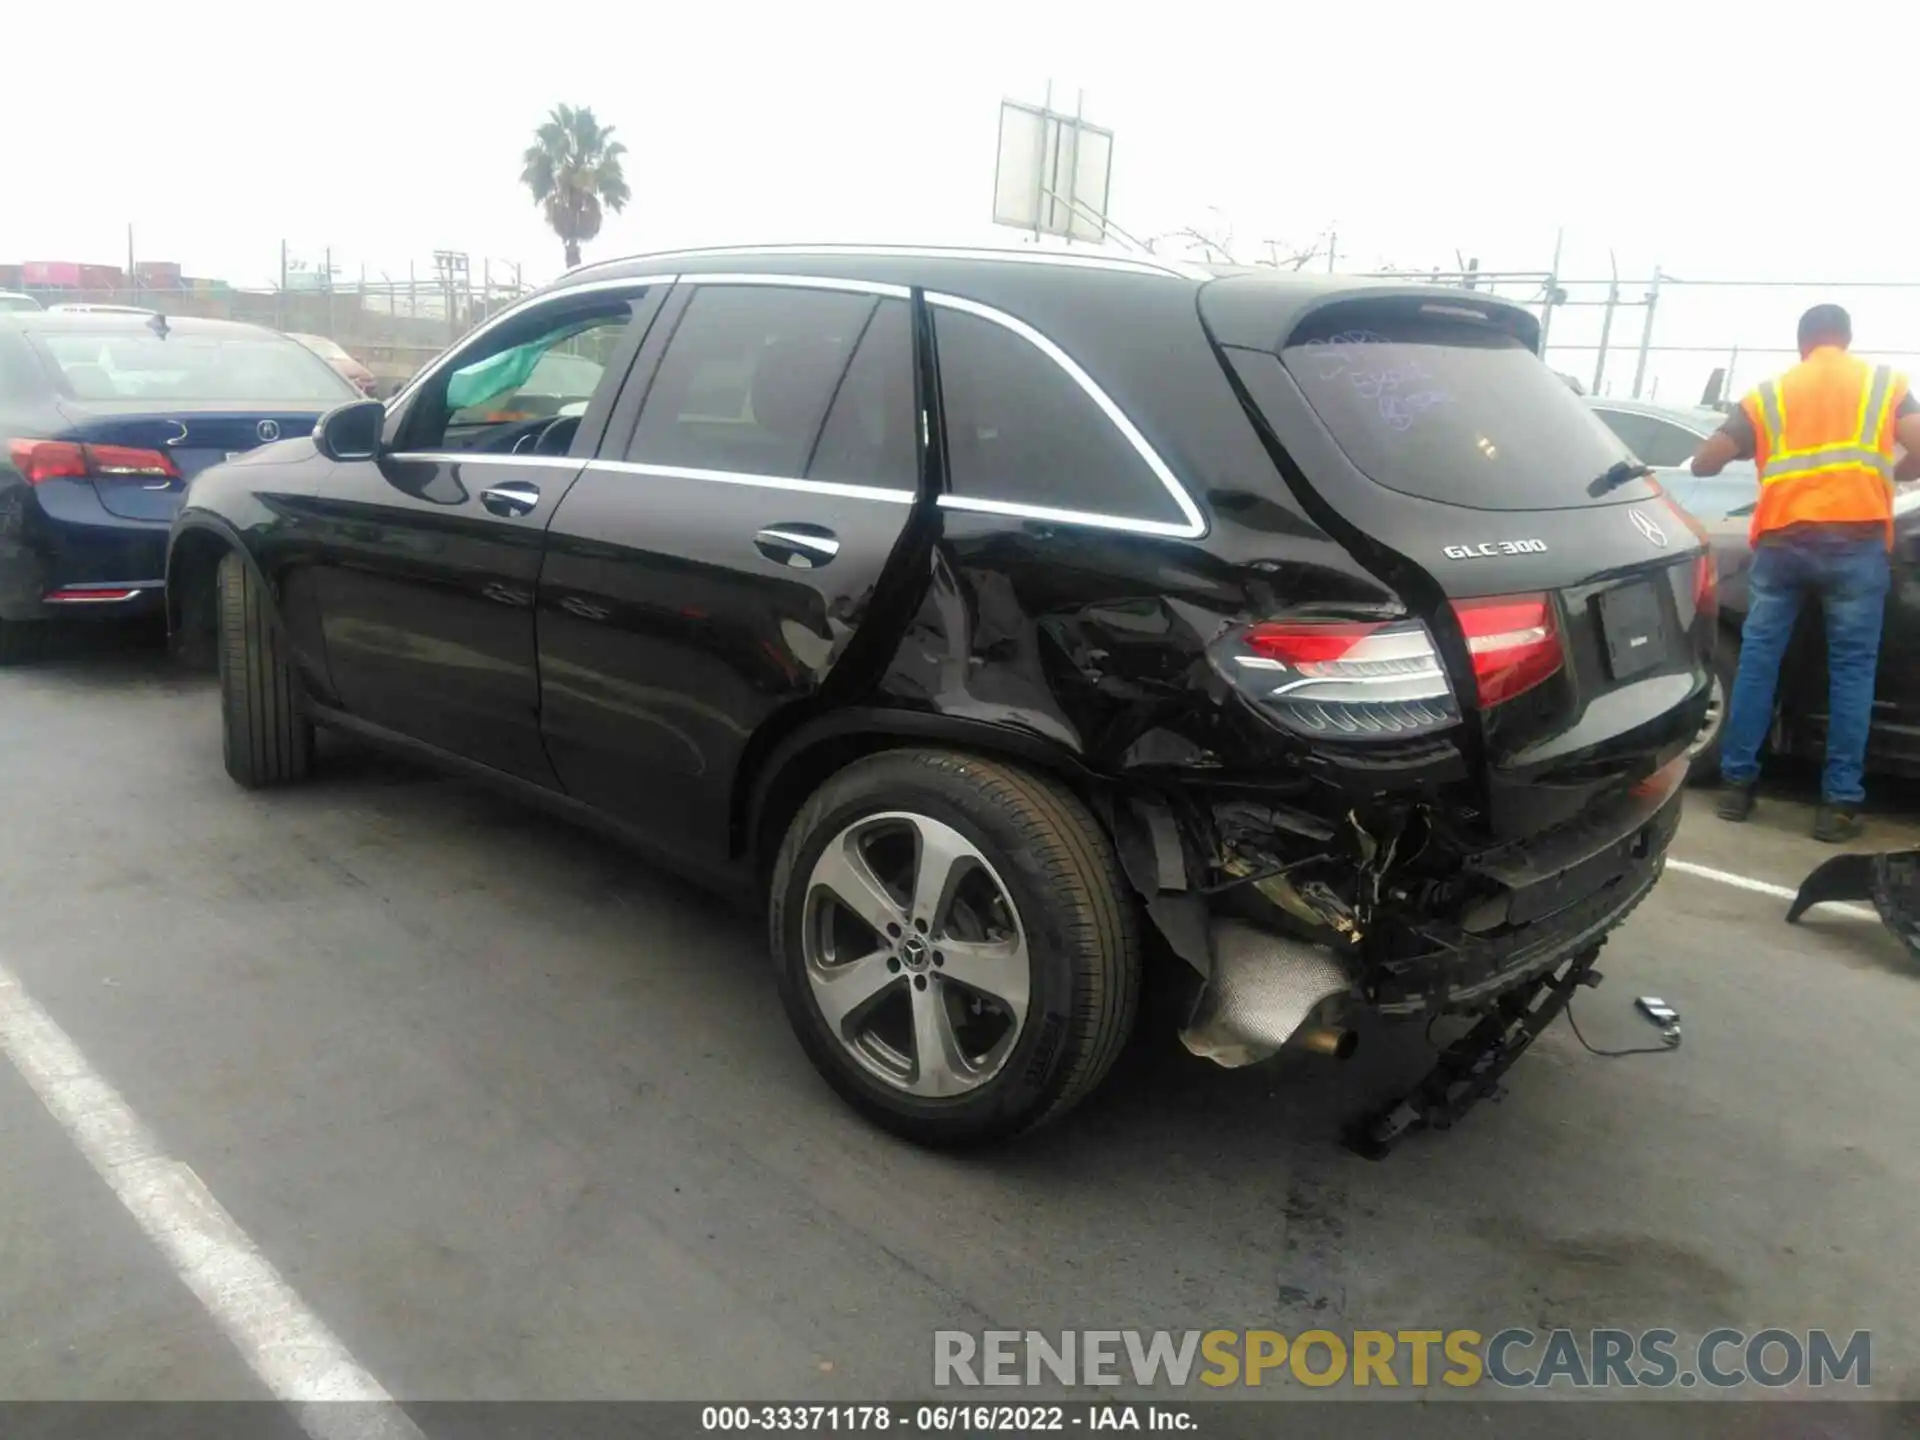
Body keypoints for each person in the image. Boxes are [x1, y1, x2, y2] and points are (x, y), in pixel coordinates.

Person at [1690, 304, 1920, 842]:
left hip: (1783, 542)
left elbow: (1706, 461)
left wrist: (1743, 451)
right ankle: (1839, 804)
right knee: (1852, 672)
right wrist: (1895, 468)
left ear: (1802, 344)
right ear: (1846, 338)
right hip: (1856, 543)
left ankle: (1737, 787)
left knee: (1758, 663)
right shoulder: (1883, 384)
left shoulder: (1771, 393)